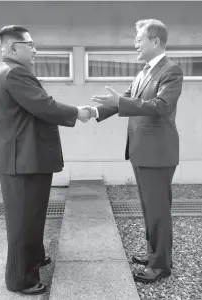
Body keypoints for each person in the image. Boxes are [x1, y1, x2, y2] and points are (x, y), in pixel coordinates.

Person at [0, 25, 90, 295]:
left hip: (25, 159)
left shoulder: (10, 71)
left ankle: (34, 259)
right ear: (14, 47)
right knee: (24, 222)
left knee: (32, 218)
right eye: (30, 44)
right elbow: (45, 106)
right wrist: (79, 112)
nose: (35, 49)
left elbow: (38, 106)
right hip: (23, 162)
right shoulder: (15, 73)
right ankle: (20, 279)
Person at [86, 19, 183, 283]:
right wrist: (93, 112)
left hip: (158, 154)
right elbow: (125, 100)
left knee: (158, 210)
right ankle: (154, 254)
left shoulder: (171, 71)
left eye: (139, 39)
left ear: (155, 41)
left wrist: (121, 101)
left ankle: (161, 265)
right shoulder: (142, 72)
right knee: (148, 208)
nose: (135, 43)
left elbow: (161, 106)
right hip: (141, 151)